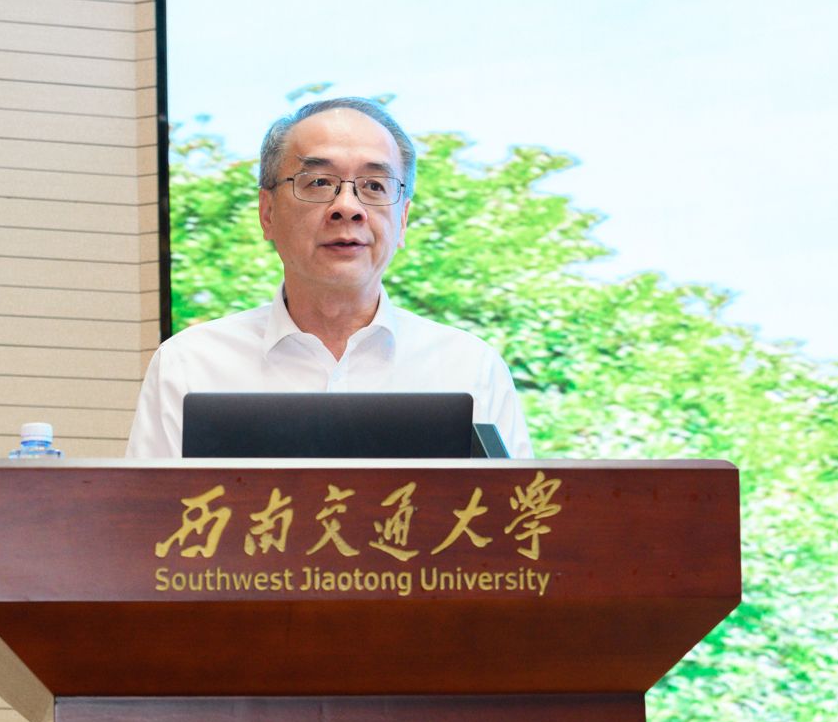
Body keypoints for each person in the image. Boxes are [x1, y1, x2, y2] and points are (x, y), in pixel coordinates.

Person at [124, 97, 532, 458]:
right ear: (267, 212)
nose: (348, 207)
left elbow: (521, 518)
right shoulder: (190, 365)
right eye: (319, 182)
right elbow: (149, 518)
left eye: (374, 185)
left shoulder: (470, 368)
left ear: (403, 220)